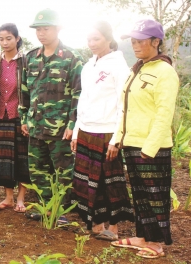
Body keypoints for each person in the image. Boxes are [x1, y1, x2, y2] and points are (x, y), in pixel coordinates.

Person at [111, 19, 179, 259]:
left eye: (140, 40)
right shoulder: (136, 69)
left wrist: (150, 148)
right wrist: (117, 139)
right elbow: (126, 109)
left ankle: (157, 244)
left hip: (151, 148)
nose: (135, 44)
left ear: (155, 41)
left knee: (155, 197)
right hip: (132, 144)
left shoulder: (164, 72)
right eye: (133, 41)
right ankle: (143, 237)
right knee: (140, 195)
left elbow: (164, 114)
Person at [70, 21, 134, 241]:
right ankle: (96, 223)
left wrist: (117, 139)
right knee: (87, 181)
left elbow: (123, 105)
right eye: (89, 39)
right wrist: (77, 131)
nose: (92, 44)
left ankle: (114, 228)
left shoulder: (119, 66)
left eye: (96, 39)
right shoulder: (88, 66)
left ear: (108, 38)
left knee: (110, 182)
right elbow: (83, 100)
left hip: (107, 132)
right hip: (87, 130)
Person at [19, 9, 83, 223]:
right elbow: (24, 91)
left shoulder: (71, 58)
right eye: (38, 29)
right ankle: (46, 207)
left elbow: (78, 93)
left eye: (45, 29)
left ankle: (61, 211)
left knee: (64, 172)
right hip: (36, 127)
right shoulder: (31, 58)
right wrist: (24, 119)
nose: (41, 33)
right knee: (38, 171)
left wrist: (72, 124)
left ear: (58, 29)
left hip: (60, 128)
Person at [0, 23, 29, 212]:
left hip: (20, 117)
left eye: (9, 38)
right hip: (0, 116)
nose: (5, 42)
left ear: (17, 39)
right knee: (3, 159)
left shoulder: (25, 62)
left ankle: (21, 199)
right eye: (1, 39)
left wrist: (29, 118)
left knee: (22, 157)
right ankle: (8, 197)